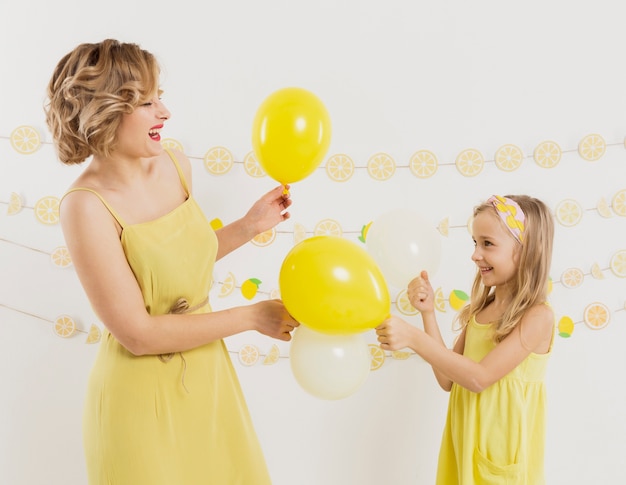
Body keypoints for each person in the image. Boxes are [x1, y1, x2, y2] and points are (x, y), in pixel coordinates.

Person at [45, 39, 299, 485]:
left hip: (208, 376)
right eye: (146, 102)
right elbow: (139, 335)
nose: (164, 112)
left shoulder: (176, 165)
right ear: (106, 112)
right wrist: (252, 316)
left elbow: (176, 267)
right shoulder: (85, 207)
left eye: (160, 96)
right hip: (138, 400)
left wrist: (248, 226)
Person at [376, 195, 555, 484]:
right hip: (465, 443)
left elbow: (479, 378)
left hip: (500, 451)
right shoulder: (482, 310)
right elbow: (448, 379)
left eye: (487, 243)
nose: (475, 254)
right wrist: (427, 313)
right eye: (475, 243)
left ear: (526, 251)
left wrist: (413, 338)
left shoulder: (537, 317)